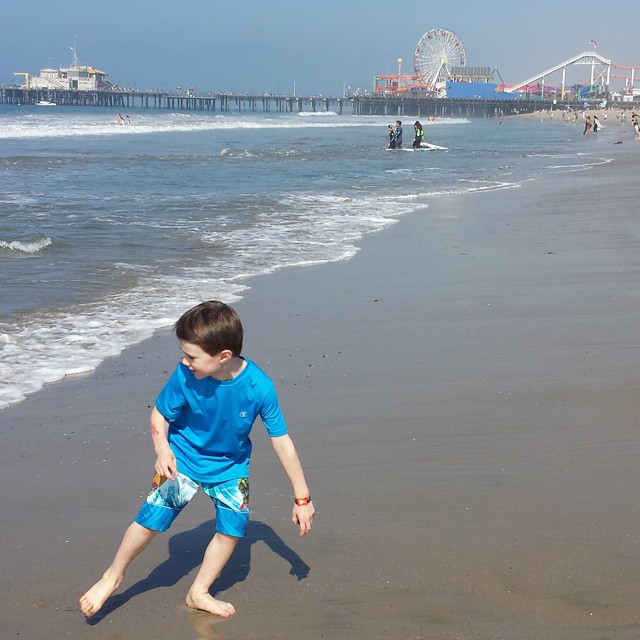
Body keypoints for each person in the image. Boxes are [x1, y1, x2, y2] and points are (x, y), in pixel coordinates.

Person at [79, 300, 315, 619]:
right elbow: (160, 414)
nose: (185, 361)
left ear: (223, 357)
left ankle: (199, 592)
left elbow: (282, 442)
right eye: (184, 354)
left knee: (233, 528)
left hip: (230, 467)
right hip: (182, 460)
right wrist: (162, 449)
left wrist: (302, 498)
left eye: (191, 356)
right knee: (150, 521)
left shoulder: (260, 387)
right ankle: (112, 576)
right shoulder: (185, 375)